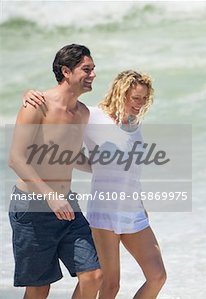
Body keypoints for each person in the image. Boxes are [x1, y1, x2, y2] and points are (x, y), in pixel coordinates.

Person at [24, 70, 166, 299]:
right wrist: (30, 94)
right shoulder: (92, 116)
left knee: (157, 276)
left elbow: (130, 171)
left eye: (144, 99)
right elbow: (58, 113)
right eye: (135, 98)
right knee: (110, 285)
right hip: (105, 212)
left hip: (133, 211)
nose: (140, 104)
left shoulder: (134, 123)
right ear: (120, 93)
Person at [8, 44, 102, 299]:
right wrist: (50, 195)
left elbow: (72, 156)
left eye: (93, 69)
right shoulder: (37, 104)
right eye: (87, 69)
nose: (93, 74)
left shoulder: (81, 113)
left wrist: (107, 167)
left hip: (67, 205)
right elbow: (16, 158)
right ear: (66, 71)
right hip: (32, 206)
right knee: (39, 288)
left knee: (93, 275)